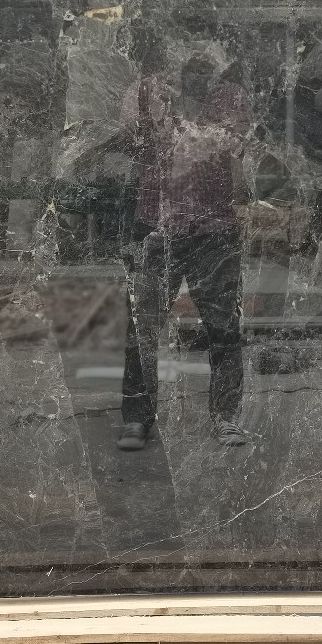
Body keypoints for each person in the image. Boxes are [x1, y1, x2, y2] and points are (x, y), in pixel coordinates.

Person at [116, 53, 251, 450]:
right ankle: (137, 417)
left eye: (204, 56)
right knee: (142, 328)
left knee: (224, 328)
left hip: (215, 229)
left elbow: (235, 145)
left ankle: (226, 415)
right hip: (157, 228)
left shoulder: (230, 97)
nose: (196, 62)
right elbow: (131, 139)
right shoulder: (146, 92)